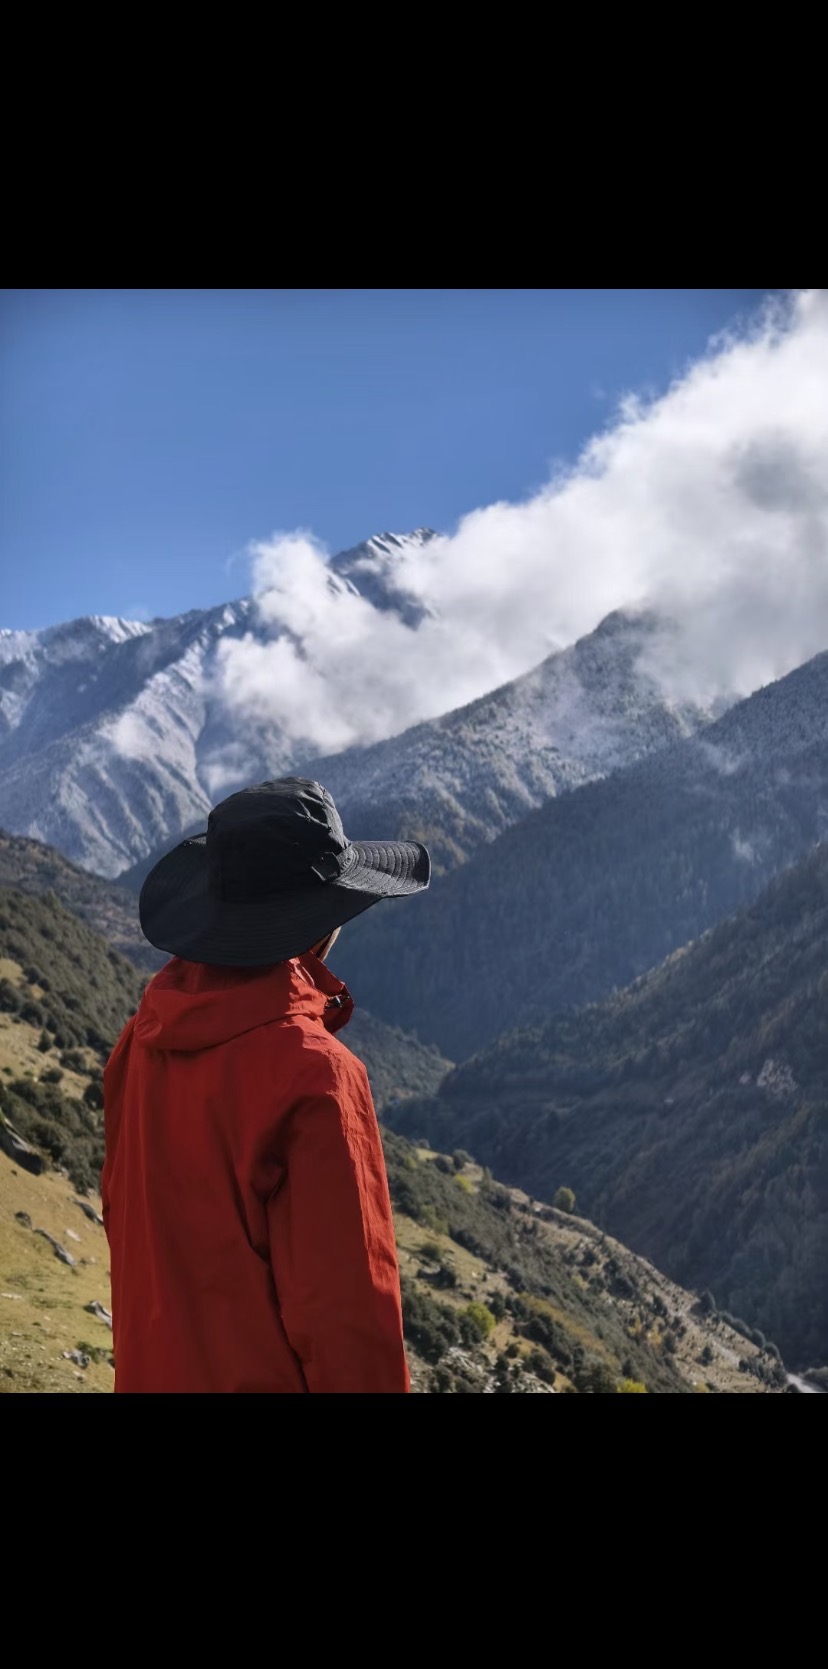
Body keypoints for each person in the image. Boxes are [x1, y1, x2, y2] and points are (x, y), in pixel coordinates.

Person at [101, 777, 430, 1393]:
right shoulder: (317, 1078)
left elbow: (128, 1229)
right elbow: (348, 1321)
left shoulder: (142, 1042)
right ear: (321, 922)